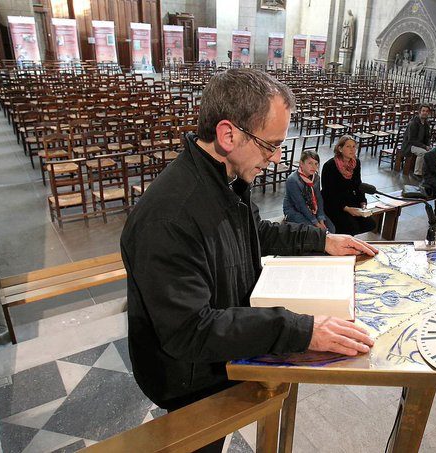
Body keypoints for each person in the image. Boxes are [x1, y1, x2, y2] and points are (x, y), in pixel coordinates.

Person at [120, 69, 376, 448]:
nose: (275, 159)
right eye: (269, 145)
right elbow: (191, 330)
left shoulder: (225, 177)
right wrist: (301, 329)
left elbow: (254, 232)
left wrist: (321, 241)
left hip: (226, 348)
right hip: (190, 376)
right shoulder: (169, 218)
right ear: (228, 135)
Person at [321, 135, 377, 235]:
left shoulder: (356, 163)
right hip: (334, 203)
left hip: (350, 200)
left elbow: (358, 185)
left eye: (354, 146)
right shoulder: (330, 165)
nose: (352, 149)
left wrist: (362, 202)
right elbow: (328, 193)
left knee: (370, 224)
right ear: (340, 148)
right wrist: (347, 209)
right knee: (351, 227)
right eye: (348, 146)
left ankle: (348, 238)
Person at [283, 150, 335, 232]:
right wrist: (316, 223)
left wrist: (321, 218)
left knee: (331, 229)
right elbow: (300, 205)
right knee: (314, 231)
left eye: (316, 164)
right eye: (310, 163)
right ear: (301, 163)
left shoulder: (316, 178)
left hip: (312, 208)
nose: (314, 167)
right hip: (295, 210)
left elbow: (318, 198)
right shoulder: (292, 180)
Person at [400, 104, 432, 176]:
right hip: (409, 145)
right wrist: (424, 147)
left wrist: (428, 145)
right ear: (419, 112)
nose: (425, 113)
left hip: (419, 145)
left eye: (427, 111)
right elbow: (411, 140)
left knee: (433, 152)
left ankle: (427, 172)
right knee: (423, 152)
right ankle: (417, 173)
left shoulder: (426, 123)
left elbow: (427, 137)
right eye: (423, 111)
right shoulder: (413, 123)